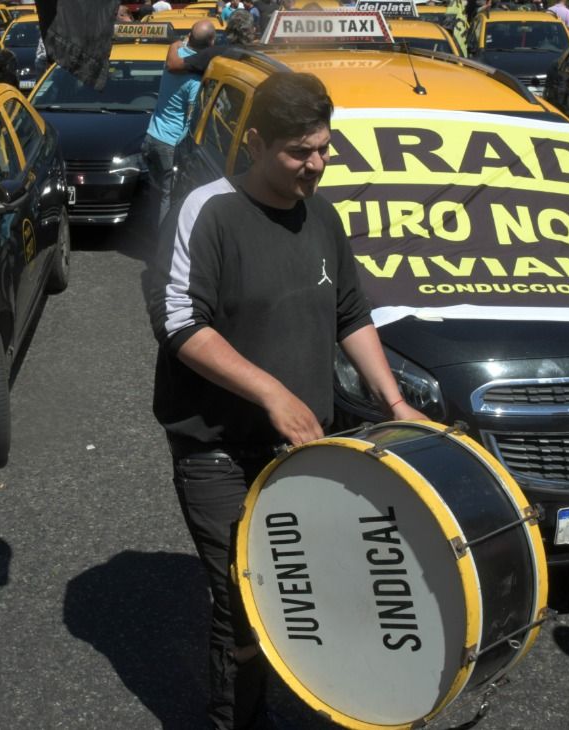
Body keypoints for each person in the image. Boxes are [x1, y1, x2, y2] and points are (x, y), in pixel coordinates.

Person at [148, 72, 427, 730]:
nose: (317, 164)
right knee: (246, 601)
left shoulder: (323, 216)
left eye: (325, 148)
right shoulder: (209, 210)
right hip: (218, 450)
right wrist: (271, 391)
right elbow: (182, 325)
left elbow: (351, 315)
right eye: (299, 151)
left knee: (318, 590)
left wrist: (394, 402)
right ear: (254, 142)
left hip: (307, 449)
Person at [144, 21, 215, 226]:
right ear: (211, 41)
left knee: (157, 194)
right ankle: (164, 249)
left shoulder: (172, 62)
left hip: (152, 137)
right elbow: (191, 119)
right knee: (170, 198)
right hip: (171, 144)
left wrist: (178, 42)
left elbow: (176, 48)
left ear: (190, 38)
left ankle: (152, 234)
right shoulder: (195, 81)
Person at [165, 9, 258, 75]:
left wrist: (174, 45)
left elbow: (173, 65)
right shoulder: (262, 53)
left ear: (227, 29)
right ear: (252, 30)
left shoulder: (215, 53)